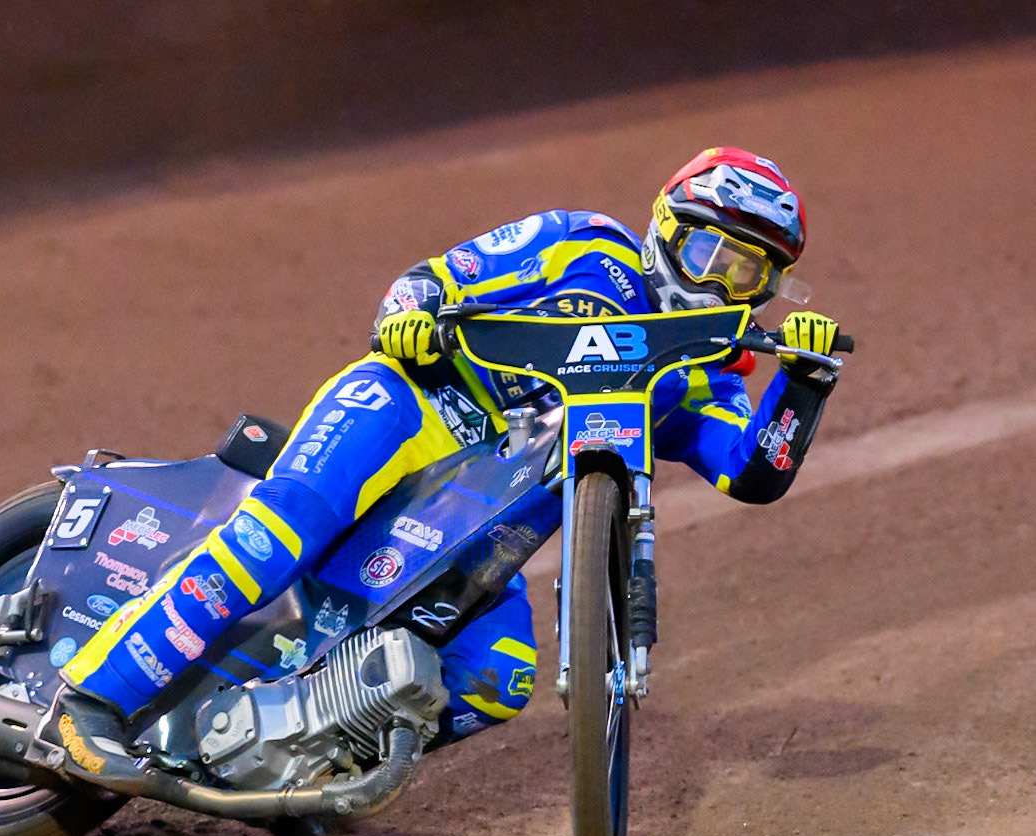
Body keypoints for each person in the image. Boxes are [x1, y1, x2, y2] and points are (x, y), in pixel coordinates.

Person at [50, 147, 841, 771]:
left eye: (748, 272)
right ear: (666, 228)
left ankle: (310, 764)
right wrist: (410, 314)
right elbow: (436, 277)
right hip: (409, 411)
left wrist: (800, 386)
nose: (720, 281)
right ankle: (90, 702)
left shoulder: (704, 375)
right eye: (707, 251)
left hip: (477, 519)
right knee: (280, 529)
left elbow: (750, 472)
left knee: (499, 675)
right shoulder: (584, 244)